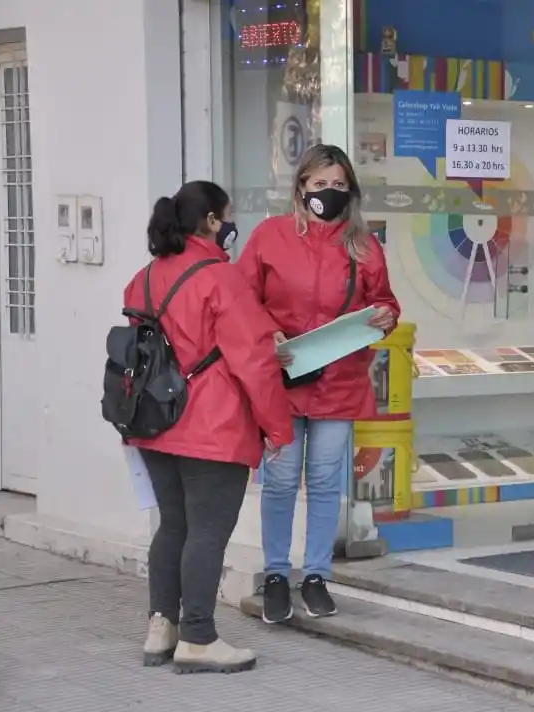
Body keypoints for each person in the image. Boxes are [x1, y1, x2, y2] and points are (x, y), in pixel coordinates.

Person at [126, 181, 294, 673]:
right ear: (214, 222)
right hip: (212, 426)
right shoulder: (222, 278)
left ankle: (164, 628)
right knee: (206, 532)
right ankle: (198, 636)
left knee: (173, 526)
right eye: (230, 215)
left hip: (154, 422)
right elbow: (256, 362)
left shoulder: (145, 277)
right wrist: (278, 428)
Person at [238, 144, 400, 623]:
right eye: (319, 185)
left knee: (327, 482)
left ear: (349, 190)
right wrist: (269, 333)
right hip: (283, 379)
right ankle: (274, 576)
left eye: (337, 186)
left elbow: (384, 303)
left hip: (339, 381)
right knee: (281, 481)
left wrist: (387, 316)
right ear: (300, 187)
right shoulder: (270, 237)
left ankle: (316, 577)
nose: (328, 194)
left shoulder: (365, 246)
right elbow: (241, 300)